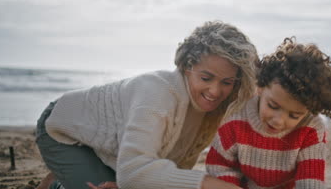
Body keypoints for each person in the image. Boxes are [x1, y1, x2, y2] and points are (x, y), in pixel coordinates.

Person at [35, 21, 259, 189]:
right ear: (186, 66)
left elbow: (171, 168)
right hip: (63, 129)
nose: (215, 91)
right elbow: (133, 172)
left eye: (227, 82)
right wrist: (210, 184)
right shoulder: (157, 93)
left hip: (117, 148)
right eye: (206, 78)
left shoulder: (219, 106)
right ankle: (58, 183)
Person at [205, 37, 331, 189]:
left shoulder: (311, 129)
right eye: (273, 106)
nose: (278, 121)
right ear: (260, 86)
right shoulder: (236, 118)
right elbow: (219, 166)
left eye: (294, 116)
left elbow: (311, 180)